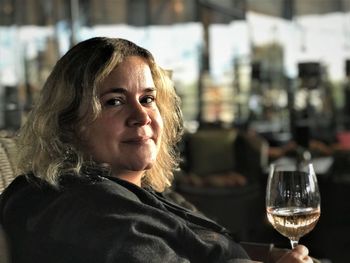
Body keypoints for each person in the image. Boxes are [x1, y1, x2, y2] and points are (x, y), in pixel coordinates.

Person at [0, 37, 313, 263]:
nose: (141, 116)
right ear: (70, 124)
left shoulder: (130, 192)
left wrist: (273, 255)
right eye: (114, 101)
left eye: (147, 99)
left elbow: (197, 244)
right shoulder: (82, 209)